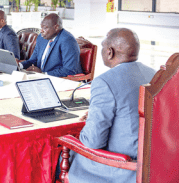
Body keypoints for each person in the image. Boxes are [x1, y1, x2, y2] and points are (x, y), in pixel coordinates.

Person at [60, 28, 156, 183]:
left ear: (110, 52)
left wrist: (87, 125)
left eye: (103, 47)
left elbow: (93, 141)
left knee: (61, 155)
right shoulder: (154, 74)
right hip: (153, 163)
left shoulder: (104, 82)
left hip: (123, 169)